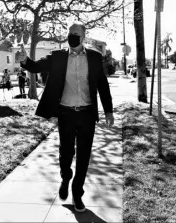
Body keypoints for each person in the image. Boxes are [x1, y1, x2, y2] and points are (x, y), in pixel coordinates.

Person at [19, 22, 114, 213]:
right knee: (66, 152)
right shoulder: (58, 56)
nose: (72, 36)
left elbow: (103, 85)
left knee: (84, 156)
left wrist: (109, 110)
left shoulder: (95, 57)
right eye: (70, 33)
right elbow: (36, 67)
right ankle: (65, 177)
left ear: (84, 37)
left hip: (87, 113)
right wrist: (24, 60)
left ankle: (77, 193)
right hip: (66, 113)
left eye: (76, 34)